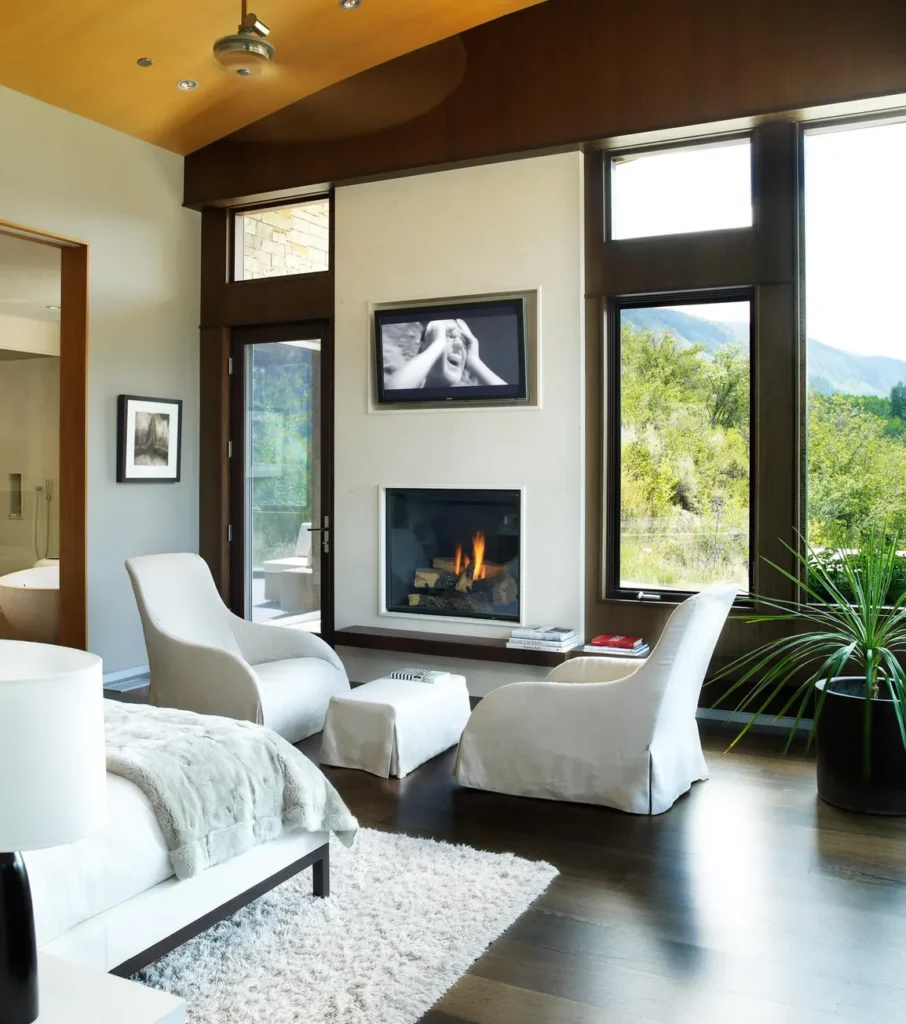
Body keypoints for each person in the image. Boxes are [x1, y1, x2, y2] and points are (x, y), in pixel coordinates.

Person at [384, 319, 507, 390]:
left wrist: (475, 361)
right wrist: (437, 344)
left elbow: (512, 404)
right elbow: (390, 393)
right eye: (448, 335)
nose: (459, 345)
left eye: (465, 342)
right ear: (423, 347)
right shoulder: (403, 378)